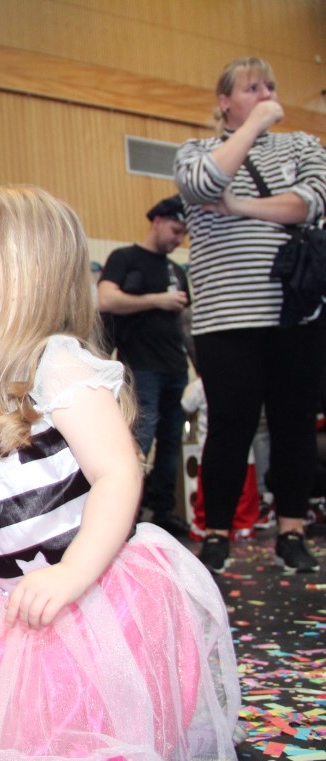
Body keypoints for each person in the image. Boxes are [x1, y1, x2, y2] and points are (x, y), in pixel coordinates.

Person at [0, 186, 240, 761]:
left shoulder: (56, 364)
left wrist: (73, 576)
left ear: (13, 276)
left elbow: (118, 474)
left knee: (80, 747)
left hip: (87, 589)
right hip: (9, 591)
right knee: (6, 737)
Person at [174, 56, 326, 574]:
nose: (266, 94)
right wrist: (255, 125)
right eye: (252, 88)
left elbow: (309, 203)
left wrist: (237, 207)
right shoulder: (196, 151)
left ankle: (292, 530)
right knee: (229, 426)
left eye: (271, 87)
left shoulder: (303, 146)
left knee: (294, 425)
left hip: (296, 313)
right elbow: (202, 186)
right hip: (226, 318)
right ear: (224, 102)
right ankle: (217, 533)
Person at [97, 194, 192, 538]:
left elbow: (186, 324)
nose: (178, 240)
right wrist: (157, 300)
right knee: (139, 441)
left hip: (175, 367)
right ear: (157, 221)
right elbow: (105, 299)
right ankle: (128, 514)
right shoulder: (125, 258)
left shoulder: (176, 270)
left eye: (183, 234)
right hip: (140, 367)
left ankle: (163, 510)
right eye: (175, 230)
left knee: (171, 443)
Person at [182, 374, 261, 540]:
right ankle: (243, 526)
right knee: (243, 492)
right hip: (242, 449)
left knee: (210, 491)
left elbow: (186, 404)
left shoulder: (202, 384)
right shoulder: (247, 381)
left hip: (212, 450)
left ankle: (205, 526)